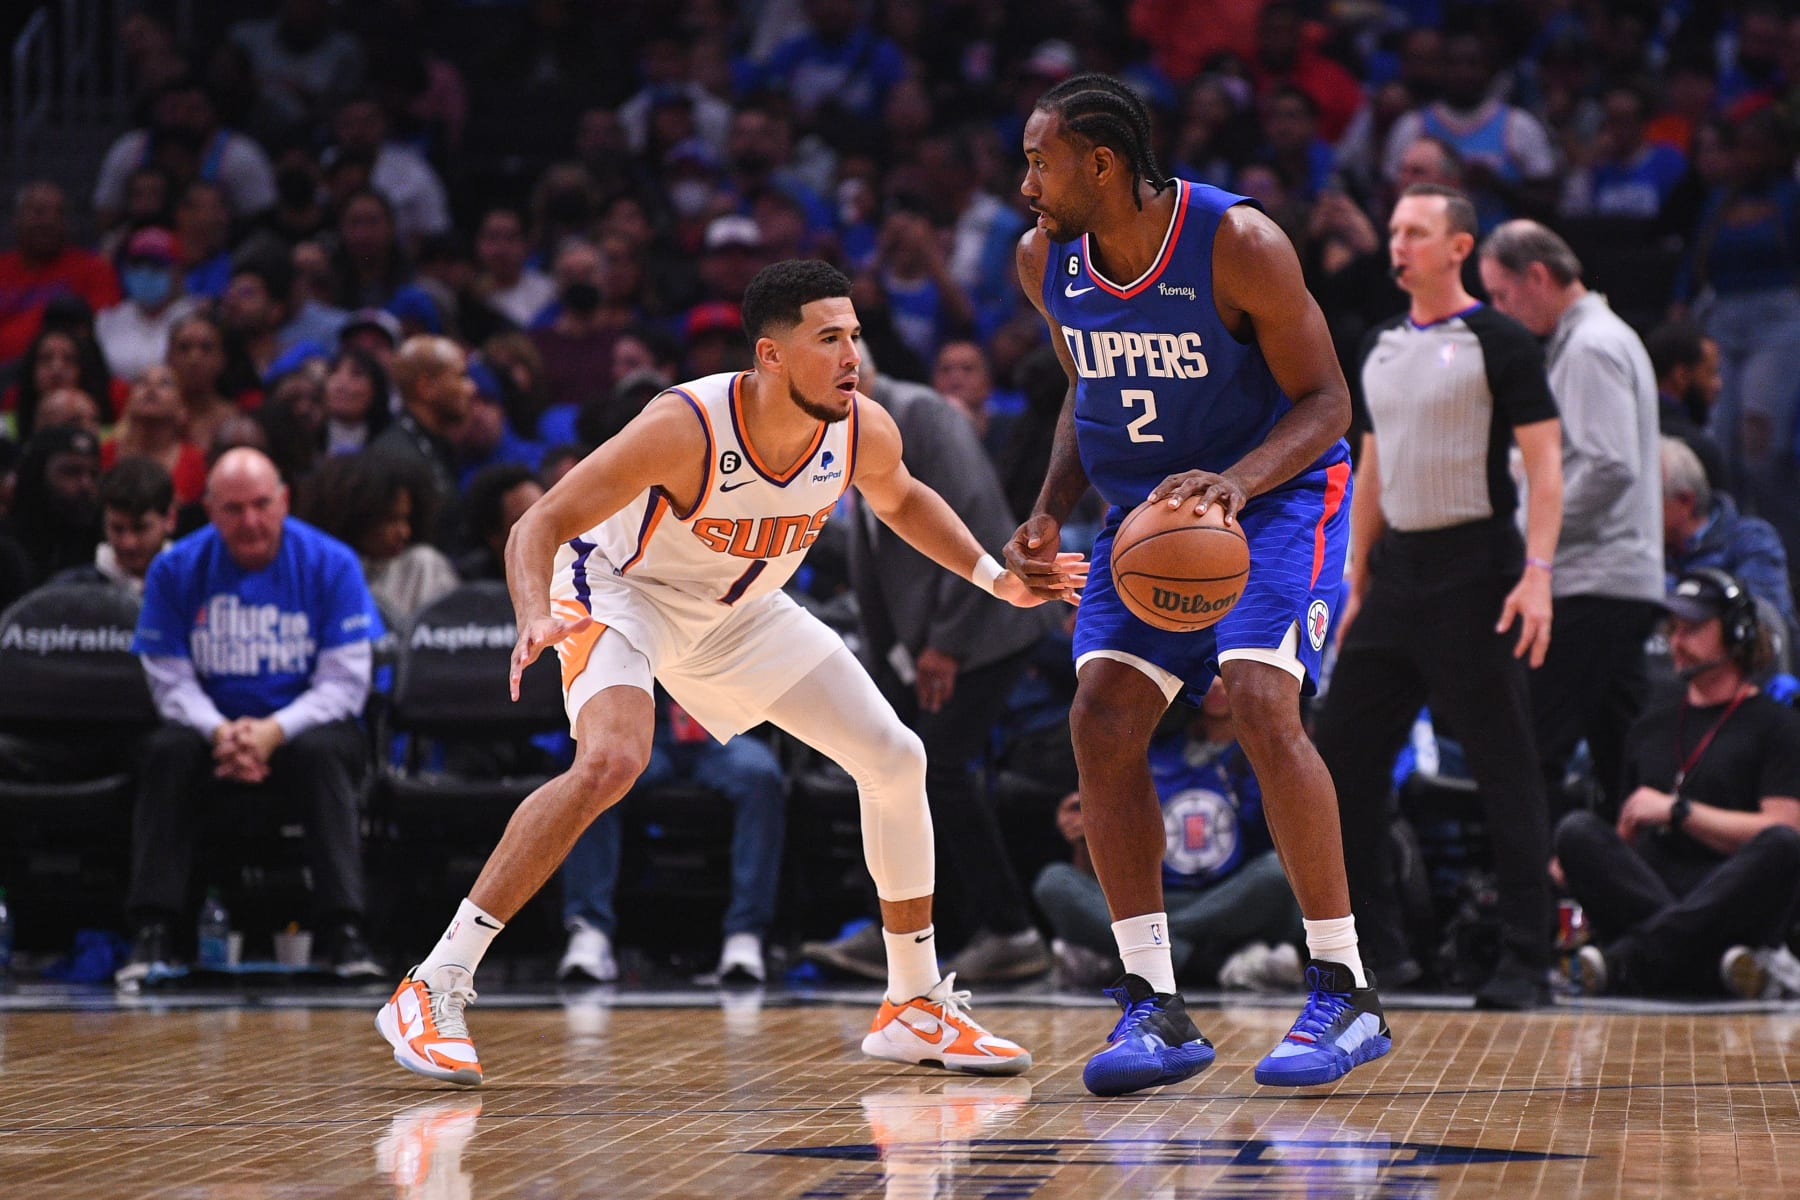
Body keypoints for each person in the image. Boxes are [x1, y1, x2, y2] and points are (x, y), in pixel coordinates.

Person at [376, 259, 1083, 1086]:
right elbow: (538, 522)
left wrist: (995, 578)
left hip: (739, 611)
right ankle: (435, 982)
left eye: (854, 335)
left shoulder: (860, 426)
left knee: (896, 757)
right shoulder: (686, 426)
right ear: (771, 356)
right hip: (622, 592)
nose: (852, 355)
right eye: (829, 339)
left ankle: (914, 1002)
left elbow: (901, 498)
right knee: (611, 762)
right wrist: (534, 609)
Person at [1006, 73, 1386, 1095]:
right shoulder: (1044, 260)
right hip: (1146, 518)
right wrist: (1047, 505)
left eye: (1041, 160)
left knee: (1260, 698)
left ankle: (1345, 989)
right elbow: (1089, 389)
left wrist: (1234, 483)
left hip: (1275, 498)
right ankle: (1153, 1005)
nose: (1025, 180)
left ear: (1103, 164)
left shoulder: (1239, 242)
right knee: (1101, 715)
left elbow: (1327, 402)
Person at [1315, 185, 1564, 1009]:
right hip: (1396, 576)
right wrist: (1353, 578)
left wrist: (1538, 573)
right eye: (1392, 231)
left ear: (1460, 247)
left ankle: (1529, 960)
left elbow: (1547, 465)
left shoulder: (1501, 340)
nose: (1397, 244)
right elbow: (1373, 469)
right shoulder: (1380, 342)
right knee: (1340, 760)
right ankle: (1373, 953)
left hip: (1478, 569)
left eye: (1415, 232)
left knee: (1505, 767)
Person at [801, 347, 1056, 986]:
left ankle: (1012, 932)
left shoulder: (922, 414)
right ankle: (897, 933)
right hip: (916, 642)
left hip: (982, 629)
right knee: (883, 763)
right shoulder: (843, 424)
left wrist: (946, 642)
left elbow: (976, 520)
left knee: (937, 768)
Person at [117, 448, 383, 984]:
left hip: (304, 732)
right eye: (234, 509)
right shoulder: (174, 569)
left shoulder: (333, 564)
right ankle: (154, 933)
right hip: (209, 733)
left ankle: (345, 934)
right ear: (210, 510)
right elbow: (168, 680)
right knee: (165, 751)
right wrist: (222, 732)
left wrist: (272, 732)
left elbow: (345, 684)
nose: (251, 521)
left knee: (324, 752)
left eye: (262, 505)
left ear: (283, 501)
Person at [1478, 220, 1665, 813]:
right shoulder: (1591, 341)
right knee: (1629, 764)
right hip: (1617, 579)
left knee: (1529, 750)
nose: (1498, 311)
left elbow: (1611, 467)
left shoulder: (1590, 347)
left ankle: (1530, 897)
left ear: (1537, 276)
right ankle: (1633, 891)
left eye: (1502, 295)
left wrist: (1535, 533)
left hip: (1592, 582)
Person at [1559, 570, 1800, 998]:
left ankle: (1627, 962)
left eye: (1693, 629)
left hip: (1727, 887)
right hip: (1654, 884)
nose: (1677, 641)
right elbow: (1625, 839)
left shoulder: (1776, 724)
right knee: (1576, 832)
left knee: (1782, 845)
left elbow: (1784, 827)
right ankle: (1717, 965)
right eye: (1673, 630)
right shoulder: (1649, 725)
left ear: (1737, 633)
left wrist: (1679, 811)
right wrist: (1622, 838)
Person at [1033, 680, 1304, 989]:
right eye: (1208, 671)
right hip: (1154, 901)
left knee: (1277, 874)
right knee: (1054, 883)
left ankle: (1128, 952)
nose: (1215, 682)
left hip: (1229, 899)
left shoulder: (1268, 756)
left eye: (1224, 670)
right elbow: (1107, 870)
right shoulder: (1150, 750)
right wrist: (1084, 838)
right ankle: (1211, 965)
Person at [1661, 437, 1797, 643]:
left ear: (1685, 501)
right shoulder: (1648, 550)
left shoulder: (1751, 541)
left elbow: (1762, 625)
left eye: (1649, 502)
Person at [51, 454, 177, 600]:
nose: (128, 543)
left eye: (140, 528)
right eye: (117, 528)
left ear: (170, 519)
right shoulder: (70, 591)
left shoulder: (195, 584)